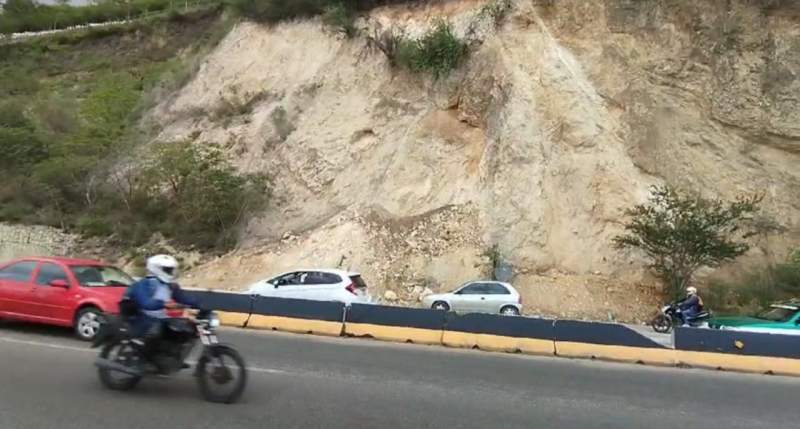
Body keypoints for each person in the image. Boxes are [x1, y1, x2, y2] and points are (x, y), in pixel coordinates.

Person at [125, 254, 198, 370]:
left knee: (185, 328)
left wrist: (199, 303)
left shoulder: (171, 286)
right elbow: (146, 303)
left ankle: (173, 356)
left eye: (171, 270)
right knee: (157, 330)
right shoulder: (143, 284)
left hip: (160, 318)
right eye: (168, 270)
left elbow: (183, 298)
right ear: (156, 268)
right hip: (142, 319)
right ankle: (145, 360)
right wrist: (163, 304)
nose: (171, 272)